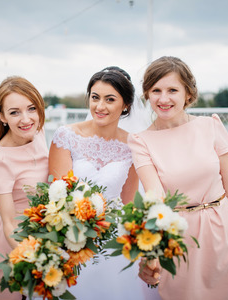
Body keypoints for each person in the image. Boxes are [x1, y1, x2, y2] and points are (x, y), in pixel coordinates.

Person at [127, 56, 228, 299]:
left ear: (188, 93)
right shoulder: (140, 141)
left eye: (172, 90)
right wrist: (151, 252)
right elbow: (156, 199)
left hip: (226, 235)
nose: (163, 99)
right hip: (179, 242)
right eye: (156, 90)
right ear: (147, 94)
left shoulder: (211, 126)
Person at [49, 66, 145, 299]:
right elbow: (58, 193)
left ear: (126, 105)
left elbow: (129, 201)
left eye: (109, 99)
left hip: (115, 239)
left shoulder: (133, 145)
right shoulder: (66, 136)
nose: (100, 106)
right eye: (95, 97)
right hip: (71, 235)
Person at [0, 76, 49, 300]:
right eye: (15, 112)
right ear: (2, 116)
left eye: (31, 108)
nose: (26, 119)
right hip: (11, 238)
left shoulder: (39, 133)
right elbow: (8, 222)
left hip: (40, 232)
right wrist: (31, 257)